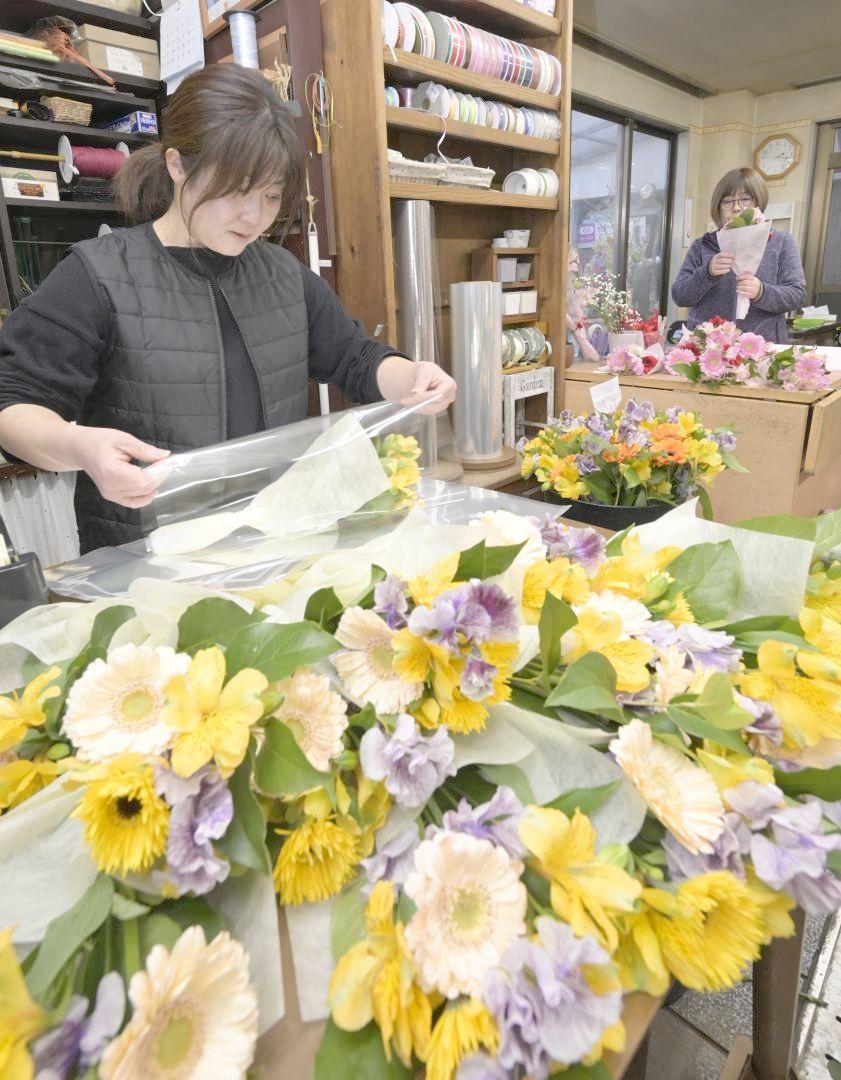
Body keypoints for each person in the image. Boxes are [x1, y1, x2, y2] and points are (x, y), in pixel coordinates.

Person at [0, 66, 456, 553]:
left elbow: (356, 359)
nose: (255, 216)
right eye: (237, 190)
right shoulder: (97, 276)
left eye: (271, 195)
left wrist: (412, 378)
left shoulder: (284, 273)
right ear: (178, 166)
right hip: (148, 558)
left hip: (277, 541)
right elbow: (12, 404)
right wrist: (80, 448)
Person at [671, 166, 806, 343]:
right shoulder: (702, 245)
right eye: (727, 201)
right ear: (718, 208)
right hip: (709, 348)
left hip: (762, 346)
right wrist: (707, 273)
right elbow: (680, 296)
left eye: (745, 199)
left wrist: (761, 292)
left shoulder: (780, 242)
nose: (736, 208)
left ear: (758, 202)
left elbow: (797, 294)